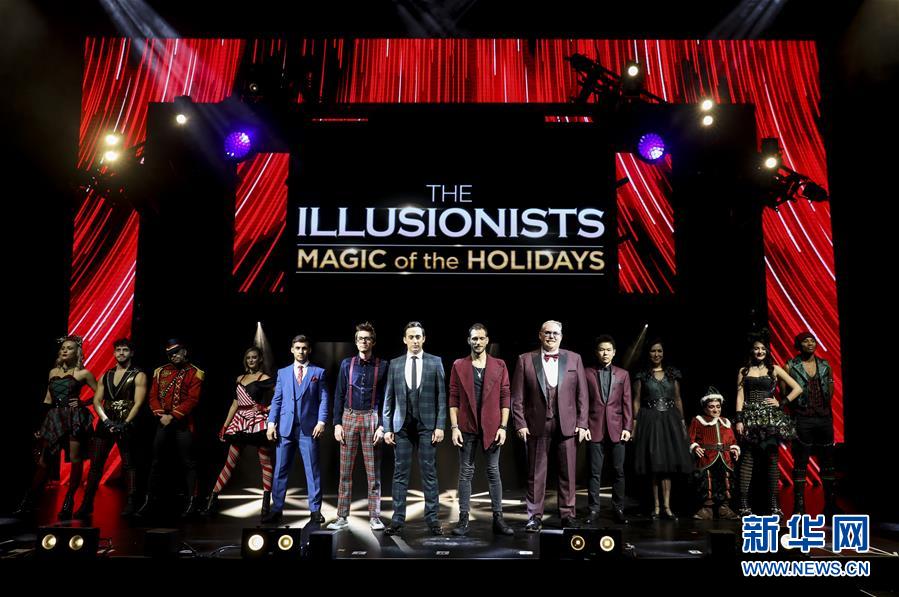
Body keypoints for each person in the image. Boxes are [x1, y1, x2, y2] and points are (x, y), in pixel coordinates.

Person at [511, 320, 588, 532]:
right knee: (536, 474)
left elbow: (582, 394)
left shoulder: (574, 358)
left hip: (567, 424)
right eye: (547, 333)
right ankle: (534, 517)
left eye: (555, 333)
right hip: (536, 424)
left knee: (568, 473)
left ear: (561, 336)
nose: (551, 336)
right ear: (540, 335)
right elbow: (517, 396)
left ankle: (568, 515)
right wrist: (520, 423)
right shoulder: (525, 359)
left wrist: (582, 423)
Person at [15, 335, 97, 519]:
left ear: (77, 352)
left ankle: (69, 500)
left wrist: (83, 403)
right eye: (63, 348)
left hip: (74, 417)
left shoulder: (83, 373)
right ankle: (29, 500)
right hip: (54, 417)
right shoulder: (52, 372)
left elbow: (100, 393)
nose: (65, 350)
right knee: (44, 461)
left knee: (75, 460)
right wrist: (40, 425)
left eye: (69, 348)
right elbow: (47, 399)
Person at [448, 323, 514, 536]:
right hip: (467, 426)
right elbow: (453, 398)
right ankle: (463, 520)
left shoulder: (499, 365)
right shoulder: (459, 365)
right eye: (474, 338)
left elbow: (505, 397)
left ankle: (498, 519)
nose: (477, 342)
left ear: (487, 340)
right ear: (469, 340)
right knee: (465, 473)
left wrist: (503, 427)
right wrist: (454, 427)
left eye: (481, 338)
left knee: (493, 472)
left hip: (492, 427)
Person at [382, 321, 447, 536]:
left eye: (418, 336)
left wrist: (440, 425)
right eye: (411, 337)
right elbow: (388, 397)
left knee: (429, 472)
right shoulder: (395, 364)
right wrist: (387, 427)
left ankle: (433, 519)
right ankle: (397, 520)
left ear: (424, 338)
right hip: (401, 425)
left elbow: (442, 397)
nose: (415, 340)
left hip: (427, 424)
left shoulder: (435, 362)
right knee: (400, 473)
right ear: (405, 339)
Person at [74, 338, 147, 519]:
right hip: (105, 424)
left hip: (127, 423)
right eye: (118, 350)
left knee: (129, 465)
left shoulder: (138, 375)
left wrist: (125, 423)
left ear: (131, 353)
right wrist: (106, 421)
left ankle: (131, 503)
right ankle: (86, 504)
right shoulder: (106, 375)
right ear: (114, 353)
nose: (121, 353)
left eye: (125, 350)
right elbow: (97, 401)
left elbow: (138, 403)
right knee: (95, 465)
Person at [327, 322, 388, 531]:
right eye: (360, 338)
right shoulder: (347, 364)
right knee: (345, 472)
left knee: (373, 473)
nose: (364, 341)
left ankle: (375, 516)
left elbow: (387, 399)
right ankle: (342, 516)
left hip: (371, 419)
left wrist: (382, 426)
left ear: (373, 341)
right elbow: (338, 395)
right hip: (349, 417)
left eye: (367, 338)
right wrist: (337, 424)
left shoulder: (382, 365)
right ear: (356, 341)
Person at [734, 330, 802, 517]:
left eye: (763, 349)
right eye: (756, 348)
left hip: (770, 419)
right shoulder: (744, 371)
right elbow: (740, 396)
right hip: (749, 418)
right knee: (747, 461)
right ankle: (744, 505)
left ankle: (774, 505)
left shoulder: (774, 369)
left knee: (772, 461)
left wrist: (782, 402)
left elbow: (798, 388)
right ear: (752, 351)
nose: (760, 351)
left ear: (767, 351)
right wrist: (739, 419)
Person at [202, 346, 275, 519]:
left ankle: (266, 505)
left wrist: (266, 409)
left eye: (254, 357)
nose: (251, 360)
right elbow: (235, 404)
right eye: (248, 357)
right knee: (229, 463)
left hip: (257, 422)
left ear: (260, 359)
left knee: (265, 463)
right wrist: (225, 426)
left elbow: (280, 398)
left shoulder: (264, 378)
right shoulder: (239, 378)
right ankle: (212, 502)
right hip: (239, 422)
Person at [264, 335, 329, 524]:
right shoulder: (283, 373)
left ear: (309, 350)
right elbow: (277, 400)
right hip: (285, 428)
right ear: (292, 349)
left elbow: (324, 399)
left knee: (313, 471)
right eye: (298, 348)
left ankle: (315, 510)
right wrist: (271, 423)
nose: (301, 351)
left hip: (308, 429)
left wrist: (321, 421)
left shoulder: (318, 372)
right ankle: (276, 509)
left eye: (304, 348)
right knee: (280, 470)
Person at [135, 339, 204, 518]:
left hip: (182, 422)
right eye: (170, 354)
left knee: (188, 462)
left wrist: (172, 415)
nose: (174, 356)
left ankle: (192, 502)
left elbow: (193, 399)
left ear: (184, 352)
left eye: (176, 352)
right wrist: (161, 414)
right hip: (162, 420)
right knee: (156, 462)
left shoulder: (195, 372)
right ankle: (149, 501)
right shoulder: (160, 371)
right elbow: (153, 396)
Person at [631, 340, 693, 520]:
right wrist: (635, 423)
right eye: (653, 351)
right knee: (655, 464)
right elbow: (636, 400)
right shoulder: (642, 375)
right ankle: (656, 506)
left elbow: (678, 398)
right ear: (648, 353)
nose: (656, 354)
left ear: (663, 353)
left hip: (670, 420)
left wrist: (682, 422)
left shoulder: (672, 374)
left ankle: (667, 506)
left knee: (668, 465)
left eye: (659, 351)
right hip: (650, 420)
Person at [785, 331, 837, 515]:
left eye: (812, 341)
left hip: (823, 418)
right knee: (800, 461)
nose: (810, 344)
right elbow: (785, 391)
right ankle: (799, 507)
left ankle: (830, 505)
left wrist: (822, 410)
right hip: (802, 418)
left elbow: (830, 389)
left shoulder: (824, 365)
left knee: (828, 461)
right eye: (806, 341)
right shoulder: (791, 366)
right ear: (799, 345)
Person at [585, 335, 632, 524]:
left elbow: (627, 402)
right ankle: (593, 509)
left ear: (614, 352)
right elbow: (582, 401)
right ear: (597, 352)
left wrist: (628, 427)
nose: (605, 353)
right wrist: (583, 425)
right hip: (594, 427)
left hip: (617, 428)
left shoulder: (623, 374)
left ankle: (618, 508)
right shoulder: (587, 373)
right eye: (601, 349)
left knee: (618, 471)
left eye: (608, 350)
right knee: (594, 472)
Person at [688, 387, 741, 520]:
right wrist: (695, 447)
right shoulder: (698, 420)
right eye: (711, 407)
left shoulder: (726, 422)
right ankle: (707, 509)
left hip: (724, 457)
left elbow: (732, 440)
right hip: (707, 457)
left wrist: (734, 448)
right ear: (705, 408)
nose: (716, 410)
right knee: (707, 481)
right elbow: (690, 438)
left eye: (718, 406)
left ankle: (724, 508)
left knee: (725, 481)